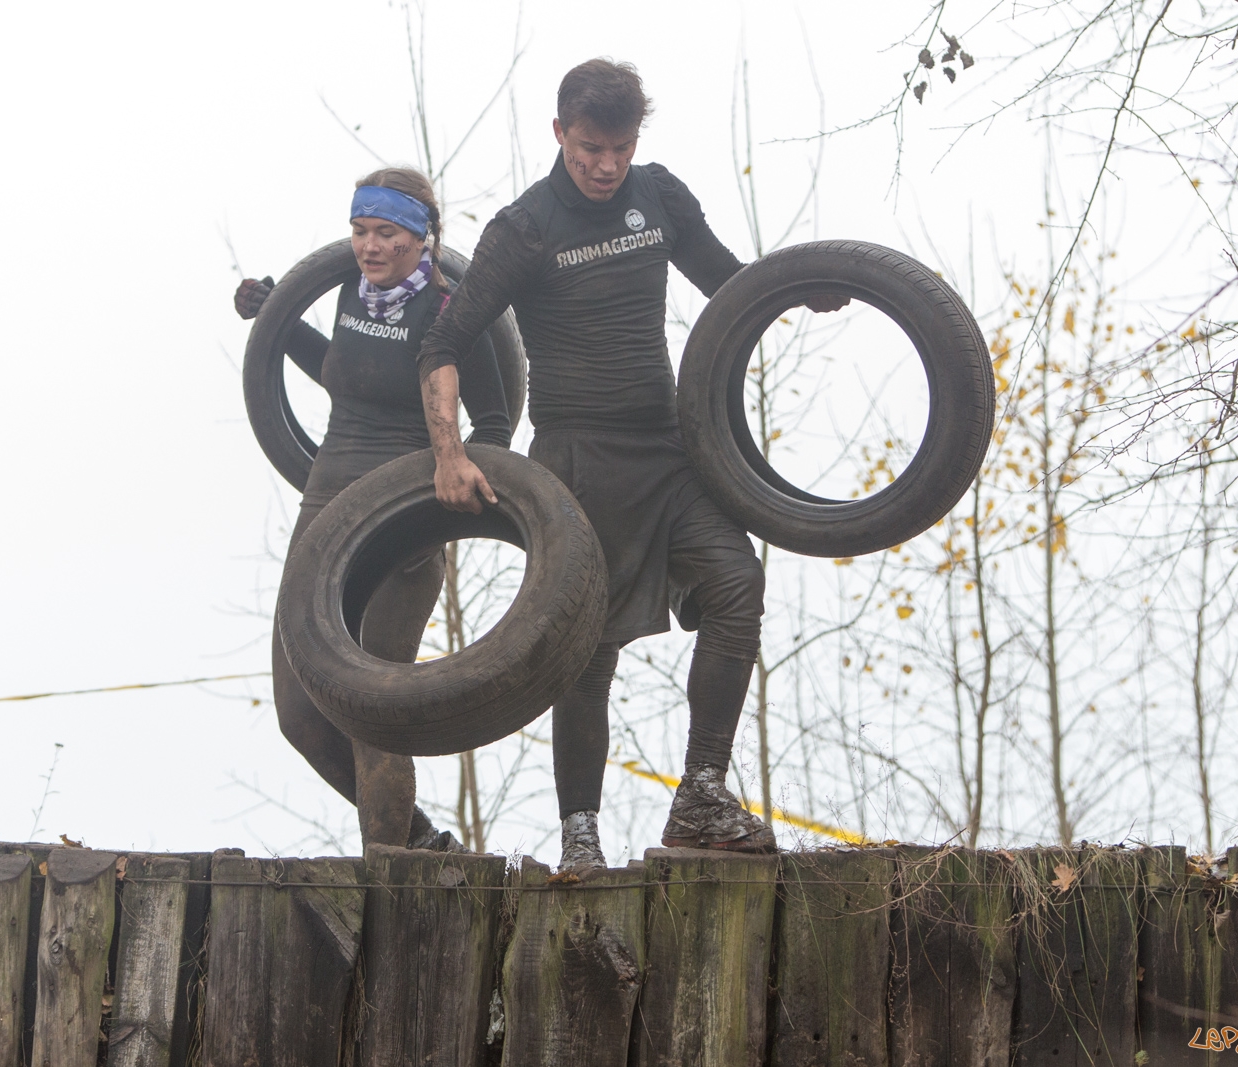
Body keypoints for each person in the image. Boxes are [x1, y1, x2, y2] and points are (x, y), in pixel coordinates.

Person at [416, 59, 847, 872]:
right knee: (585, 653)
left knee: (737, 587)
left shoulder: (659, 197)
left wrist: (799, 286)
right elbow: (444, 341)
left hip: (670, 450)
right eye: (589, 149)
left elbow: (729, 284)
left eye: (620, 147)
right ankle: (581, 830)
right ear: (558, 134)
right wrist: (449, 451)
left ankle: (702, 793)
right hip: (576, 464)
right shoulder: (525, 227)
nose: (606, 165)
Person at [234, 167, 512, 851]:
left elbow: (498, 420)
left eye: (386, 232)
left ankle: (389, 868)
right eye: (360, 231)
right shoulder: (351, 296)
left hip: (401, 523)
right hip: (325, 507)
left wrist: (448, 504)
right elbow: (345, 370)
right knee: (300, 714)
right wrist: (276, 317)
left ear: (421, 237)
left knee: (371, 711)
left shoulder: (450, 310)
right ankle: (418, 841)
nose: (370, 246)